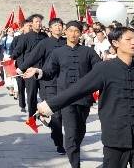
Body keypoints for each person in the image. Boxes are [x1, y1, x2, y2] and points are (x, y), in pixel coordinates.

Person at [35, 27, 134, 168]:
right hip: (115, 139)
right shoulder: (104, 69)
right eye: (129, 39)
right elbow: (77, 89)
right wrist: (50, 105)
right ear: (115, 43)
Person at [25, 20, 101, 167]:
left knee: (80, 130)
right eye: (70, 30)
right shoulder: (57, 53)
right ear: (65, 32)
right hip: (65, 99)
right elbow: (48, 72)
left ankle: (74, 147)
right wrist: (37, 71)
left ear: (81, 33)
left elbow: (99, 69)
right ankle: (75, 163)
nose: (73, 34)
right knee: (71, 133)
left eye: (76, 31)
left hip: (84, 99)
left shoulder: (88, 52)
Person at [18, 18, 66, 155]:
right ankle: (59, 143)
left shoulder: (67, 43)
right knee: (57, 115)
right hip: (48, 82)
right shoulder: (45, 43)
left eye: (60, 25)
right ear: (50, 28)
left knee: (64, 115)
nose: (58, 28)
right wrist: (20, 69)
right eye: (55, 26)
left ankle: (48, 122)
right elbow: (32, 57)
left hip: (64, 82)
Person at [10, 21, 32, 111]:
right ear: (22, 27)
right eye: (28, 26)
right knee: (21, 86)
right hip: (19, 65)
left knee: (30, 87)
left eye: (31, 26)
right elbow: (13, 50)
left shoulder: (34, 38)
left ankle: (31, 104)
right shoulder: (17, 38)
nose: (30, 27)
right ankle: (22, 105)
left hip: (30, 66)